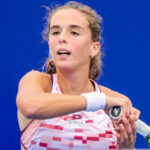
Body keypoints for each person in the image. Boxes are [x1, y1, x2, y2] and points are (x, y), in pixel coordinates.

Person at [16, 1, 140, 149]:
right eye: (55, 32)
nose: (61, 38)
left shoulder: (117, 101)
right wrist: (100, 101)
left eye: (74, 32)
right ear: (50, 45)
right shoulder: (36, 82)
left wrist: (126, 149)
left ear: (94, 48)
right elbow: (31, 107)